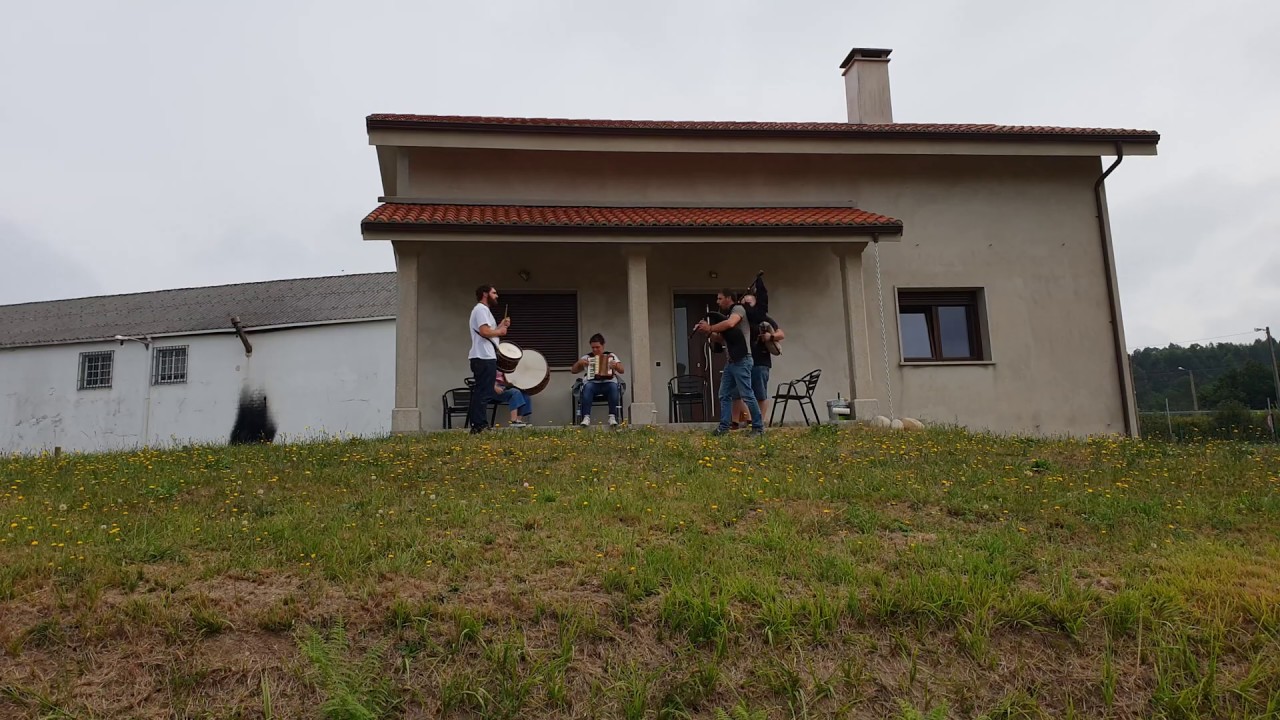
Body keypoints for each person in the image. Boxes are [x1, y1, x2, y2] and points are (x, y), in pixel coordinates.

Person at [695, 290, 763, 435]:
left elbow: (730, 323)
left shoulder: (738, 310)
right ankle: (724, 427)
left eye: (720, 298)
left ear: (729, 298)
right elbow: (722, 339)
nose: (717, 302)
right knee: (724, 394)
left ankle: (758, 427)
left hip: (742, 360)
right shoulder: (728, 316)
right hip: (731, 362)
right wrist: (706, 332)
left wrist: (711, 327)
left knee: (747, 395)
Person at [733, 272, 785, 426]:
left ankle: (759, 422)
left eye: (750, 303)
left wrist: (771, 337)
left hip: (760, 360)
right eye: (744, 303)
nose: (747, 306)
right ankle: (738, 421)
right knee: (738, 392)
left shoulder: (764, 319)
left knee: (759, 393)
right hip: (742, 359)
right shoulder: (739, 320)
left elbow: (781, 333)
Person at [467, 284, 510, 434]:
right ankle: (479, 425)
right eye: (494, 293)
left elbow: (489, 331)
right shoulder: (481, 309)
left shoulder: (484, 311)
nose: (496, 295)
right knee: (483, 392)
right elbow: (484, 331)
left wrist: (500, 326)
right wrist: (500, 331)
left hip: (485, 356)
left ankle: (479, 424)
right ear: (485, 294)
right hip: (483, 356)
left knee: (483, 391)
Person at [571, 333, 625, 426]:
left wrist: (615, 365)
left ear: (603, 345)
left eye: (597, 347)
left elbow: (622, 370)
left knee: (613, 387)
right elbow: (573, 371)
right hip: (592, 384)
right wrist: (579, 363)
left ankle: (612, 417)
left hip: (608, 383)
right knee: (587, 387)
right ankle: (586, 418)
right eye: (593, 348)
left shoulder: (610, 355)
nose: (595, 350)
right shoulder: (586, 358)